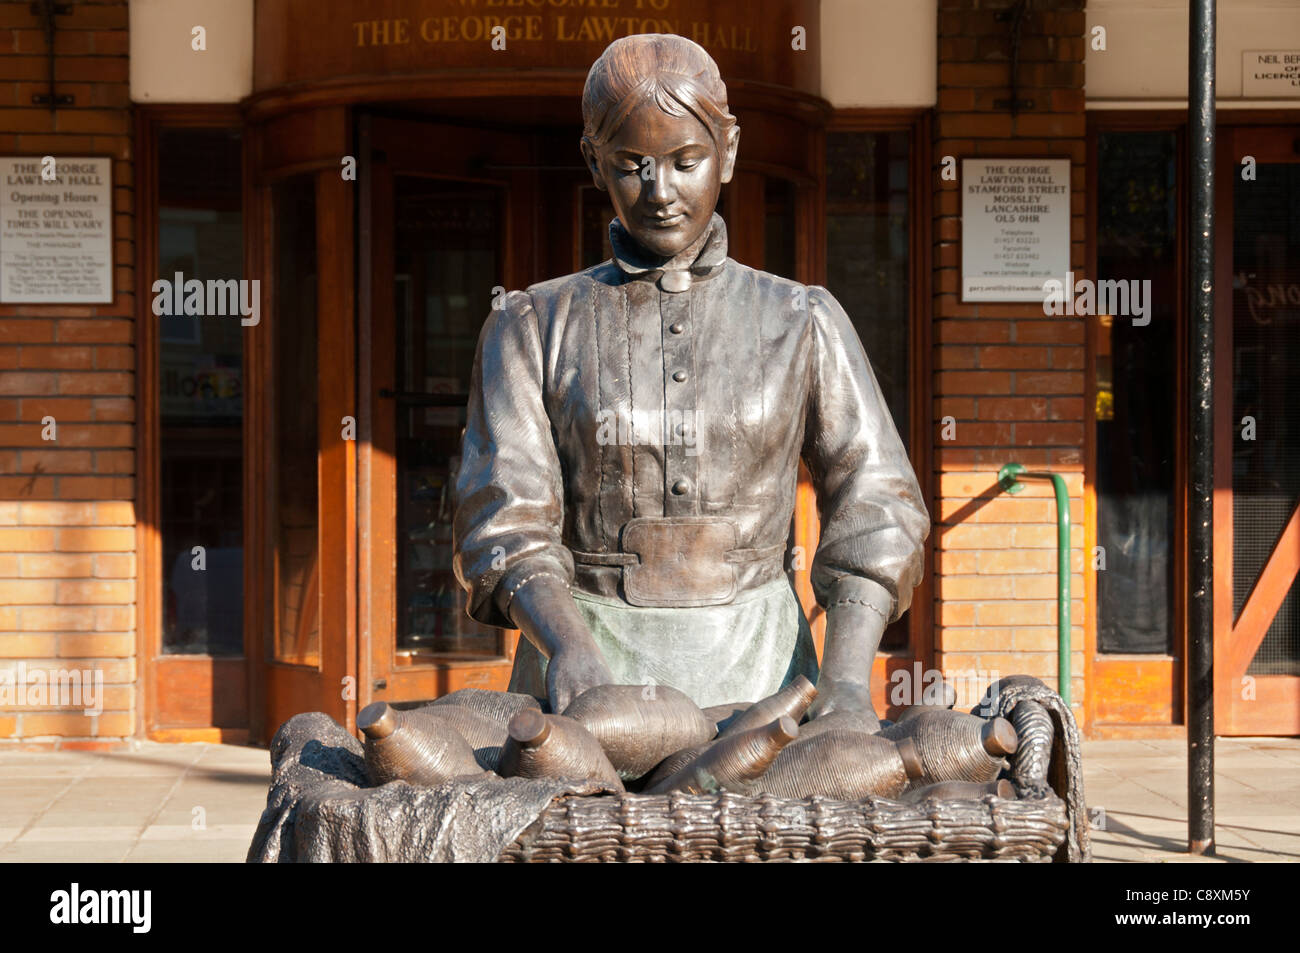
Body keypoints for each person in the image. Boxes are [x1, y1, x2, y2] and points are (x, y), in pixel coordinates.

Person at [453, 33, 929, 721]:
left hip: (763, 668)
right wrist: (568, 647)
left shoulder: (802, 320)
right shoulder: (530, 325)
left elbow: (877, 501)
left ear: (727, 153)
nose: (660, 192)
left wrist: (849, 681)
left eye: (685, 161)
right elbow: (504, 515)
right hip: (587, 668)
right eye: (631, 165)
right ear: (593, 162)